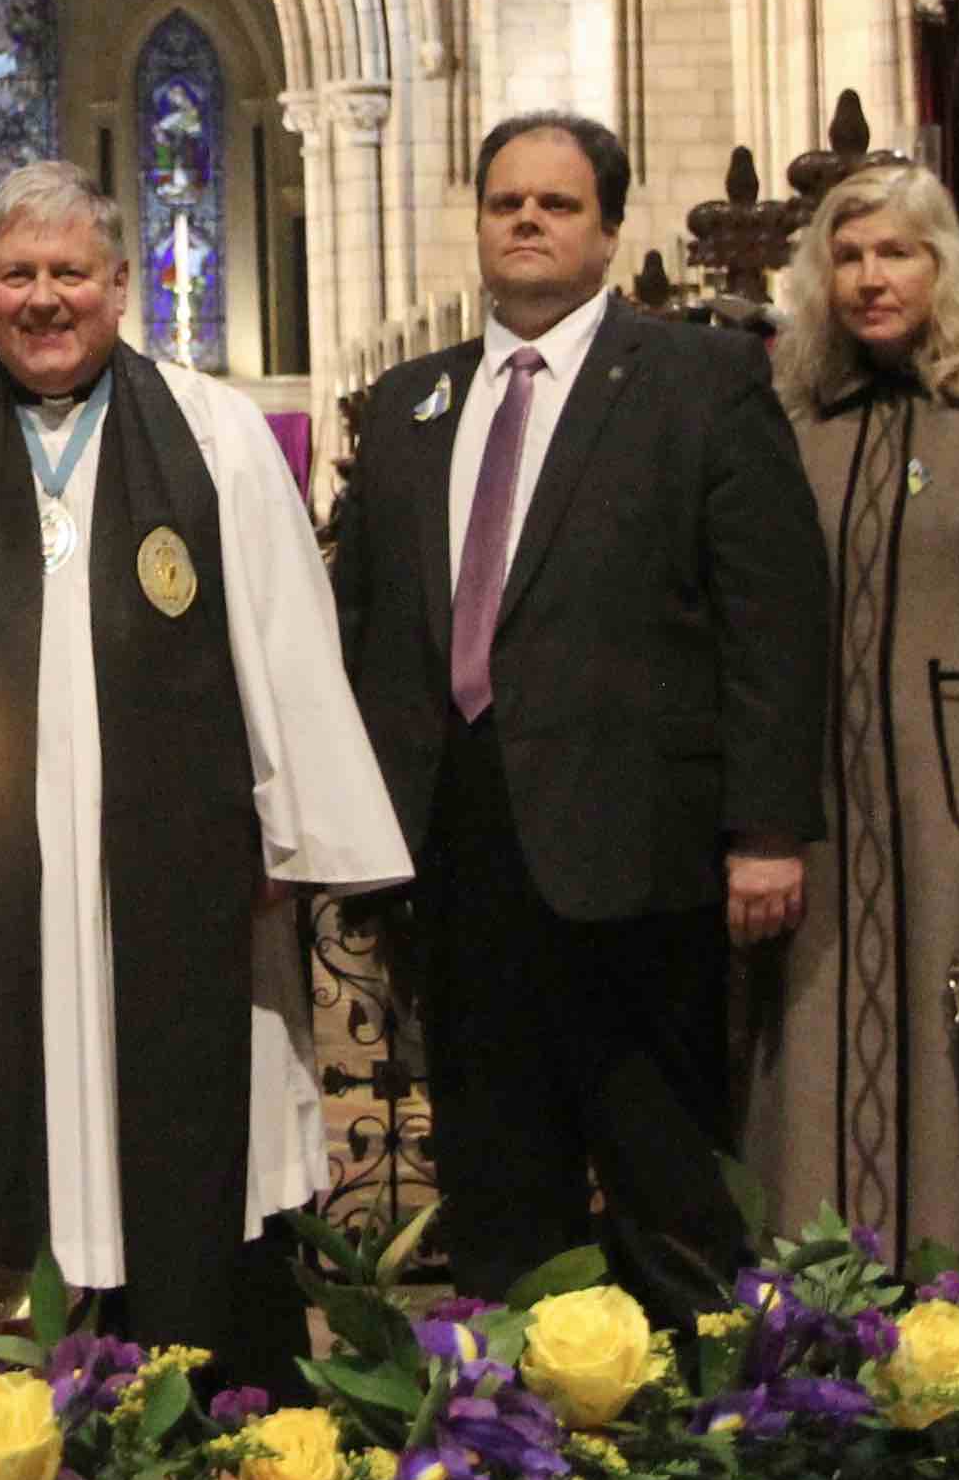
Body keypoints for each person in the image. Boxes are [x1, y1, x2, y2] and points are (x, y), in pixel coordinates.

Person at [0, 162, 405, 1392]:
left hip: (177, 893)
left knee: (190, 1155)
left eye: (70, 275)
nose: (45, 300)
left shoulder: (212, 437)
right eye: (18, 275)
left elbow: (286, 644)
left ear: (120, 284)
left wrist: (282, 831)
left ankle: (201, 1412)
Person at [330, 111, 829, 1318]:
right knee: (499, 1173)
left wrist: (766, 828)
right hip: (455, 851)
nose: (527, 223)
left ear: (607, 232)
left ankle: (694, 1437)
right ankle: (526, 1444)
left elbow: (773, 619)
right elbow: (359, 634)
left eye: (556, 205)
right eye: (506, 202)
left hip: (634, 851)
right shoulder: (406, 407)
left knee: (662, 1174)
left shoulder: (697, 383)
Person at [745, 161, 959, 1260]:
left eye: (893, 252)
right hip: (823, 798)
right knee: (809, 1053)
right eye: (844, 257)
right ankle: (814, 1323)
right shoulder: (791, 414)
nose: (867, 278)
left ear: (941, 263)